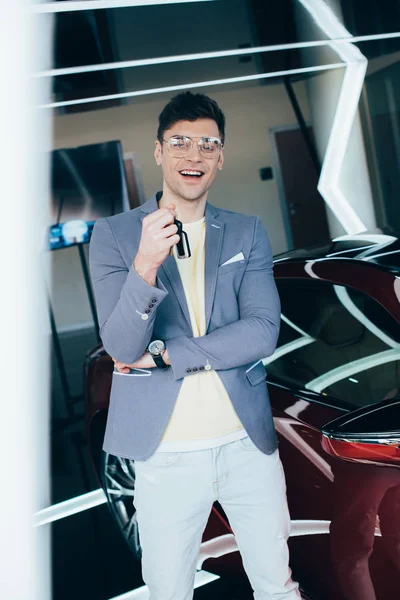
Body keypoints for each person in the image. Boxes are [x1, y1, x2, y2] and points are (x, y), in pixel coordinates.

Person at [89, 91, 300, 600]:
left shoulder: (246, 231)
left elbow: (262, 331)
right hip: (166, 449)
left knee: (277, 582)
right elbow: (120, 344)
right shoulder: (116, 236)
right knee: (168, 589)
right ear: (160, 152)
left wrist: (167, 355)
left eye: (208, 145)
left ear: (221, 157)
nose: (194, 156)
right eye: (180, 143)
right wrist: (144, 265)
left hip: (245, 442)